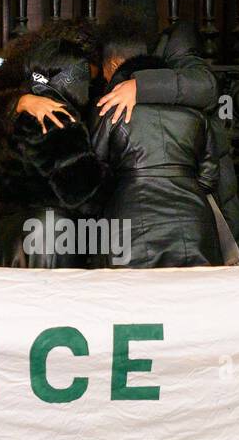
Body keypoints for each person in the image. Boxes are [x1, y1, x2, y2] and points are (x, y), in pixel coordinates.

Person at [115, 0, 239, 261]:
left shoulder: (175, 42)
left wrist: (140, 86)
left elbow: (206, 86)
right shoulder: (115, 50)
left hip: (201, 198)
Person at [90, 14, 222, 268]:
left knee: (136, 302)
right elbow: (208, 177)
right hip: (194, 221)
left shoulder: (111, 111)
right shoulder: (195, 114)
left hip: (130, 222)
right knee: (194, 300)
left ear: (116, 67)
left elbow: (96, 175)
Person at [0, 26, 105, 267]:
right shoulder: (52, 114)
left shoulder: (42, 101)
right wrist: (17, 102)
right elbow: (80, 187)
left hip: (15, 225)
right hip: (45, 230)